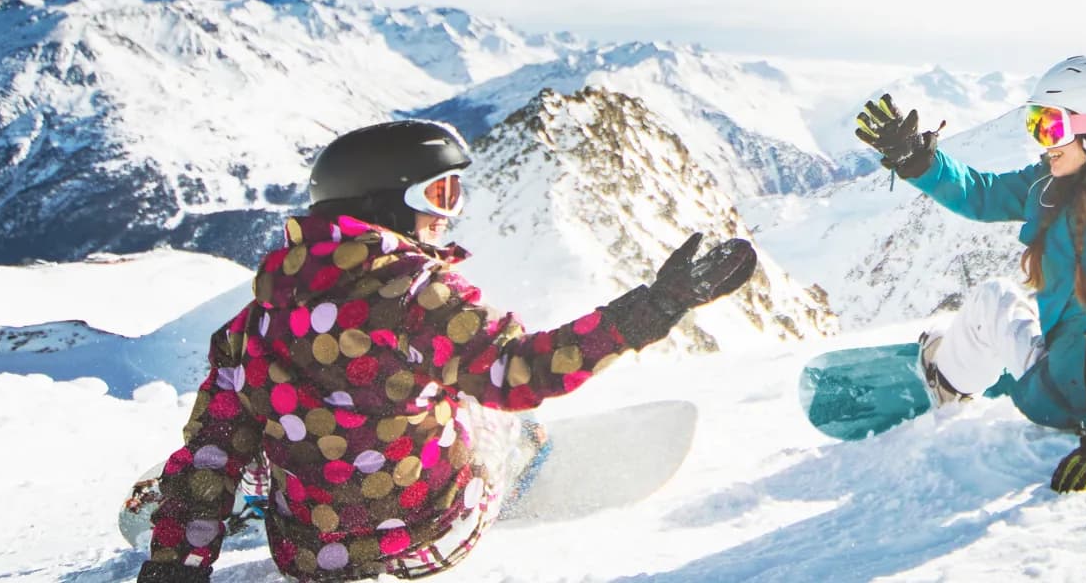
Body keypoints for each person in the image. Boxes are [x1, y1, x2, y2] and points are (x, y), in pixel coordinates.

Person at [137, 119, 756, 582]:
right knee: (479, 398)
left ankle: (263, 484)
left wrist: (174, 566)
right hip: (426, 538)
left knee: (259, 416)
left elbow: (208, 455)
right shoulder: (415, 294)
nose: (447, 216)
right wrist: (653, 308)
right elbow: (520, 371)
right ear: (384, 203)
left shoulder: (255, 321)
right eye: (440, 195)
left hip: (309, 558)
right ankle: (520, 462)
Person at [855, 55, 1086, 495]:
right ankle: (982, 359)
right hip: (1068, 370)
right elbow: (983, 196)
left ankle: (946, 377)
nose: (1042, 142)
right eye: (1035, 123)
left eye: (1051, 126)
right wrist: (918, 162)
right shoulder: (1060, 182)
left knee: (994, 301)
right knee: (1006, 299)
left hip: (1081, 404)